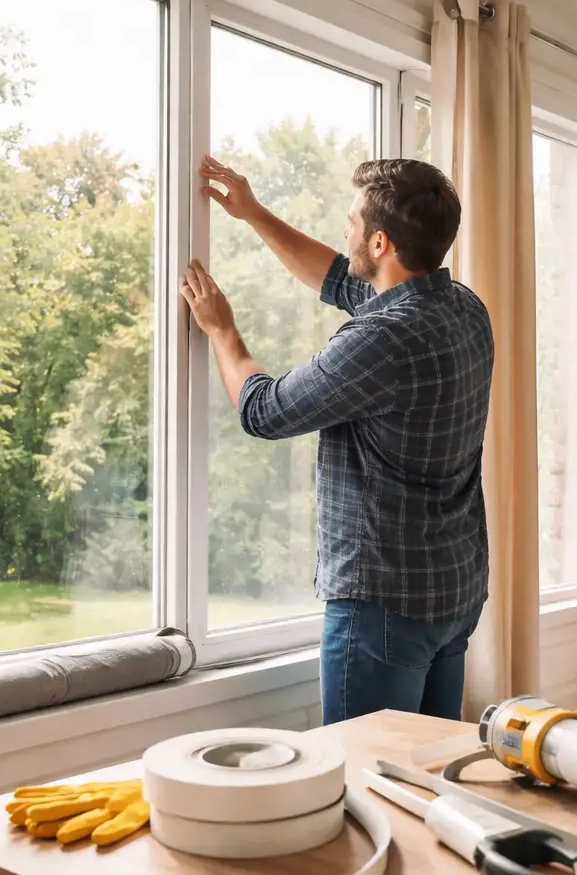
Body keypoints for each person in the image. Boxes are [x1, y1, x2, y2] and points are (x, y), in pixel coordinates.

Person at [180, 155, 493, 724]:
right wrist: (253, 214)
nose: (343, 230)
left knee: (363, 775)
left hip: (386, 604)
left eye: (351, 223)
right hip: (452, 593)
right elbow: (337, 279)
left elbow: (264, 410)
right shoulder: (464, 308)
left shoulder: (382, 341)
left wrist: (222, 331)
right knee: (421, 772)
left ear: (379, 243)